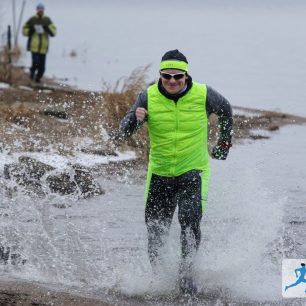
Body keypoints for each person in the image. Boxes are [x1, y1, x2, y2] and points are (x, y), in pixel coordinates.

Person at [119, 49, 233, 295]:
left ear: (186, 75)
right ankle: (160, 280)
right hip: (159, 173)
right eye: (166, 76)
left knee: (189, 221)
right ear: (160, 75)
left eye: (177, 76)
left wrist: (223, 145)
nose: (172, 81)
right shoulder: (147, 97)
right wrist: (135, 120)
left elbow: (226, 110)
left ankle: (187, 274)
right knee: (155, 229)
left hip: (193, 171)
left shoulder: (204, 94)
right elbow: (123, 132)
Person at [22, 3, 56, 83]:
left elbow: (53, 32)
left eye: (42, 9)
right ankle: (32, 76)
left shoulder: (47, 20)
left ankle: (38, 79)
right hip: (34, 46)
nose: (40, 10)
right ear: (36, 9)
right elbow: (24, 31)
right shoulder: (32, 19)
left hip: (43, 48)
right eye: (39, 8)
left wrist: (47, 28)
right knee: (35, 63)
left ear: (43, 10)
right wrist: (31, 30)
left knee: (42, 68)